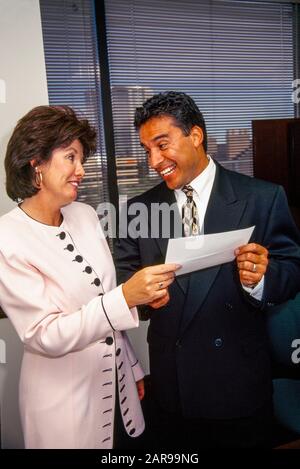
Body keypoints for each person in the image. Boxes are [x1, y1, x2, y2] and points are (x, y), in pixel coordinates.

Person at [115, 91, 300, 449]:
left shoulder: (263, 197)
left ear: (195, 136)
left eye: (162, 144)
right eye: (146, 149)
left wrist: (262, 279)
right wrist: (142, 295)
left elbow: (292, 270)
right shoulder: (138, 209)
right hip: (173, 387)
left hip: (240, 384)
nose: (153, 160)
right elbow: (123, 282)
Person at [0, 105, 178, 449]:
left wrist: (132, 367)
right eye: (71, 157)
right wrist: (127, 296)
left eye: (81, 159)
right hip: (63, 404)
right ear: (36, 162)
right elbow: (44, 335)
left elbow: (103, 301)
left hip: (119, 383)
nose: (81, 171)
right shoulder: (7, 238)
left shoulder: (83, 215)